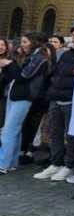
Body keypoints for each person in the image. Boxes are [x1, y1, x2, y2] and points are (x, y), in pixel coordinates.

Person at [35, 23, 74, 182]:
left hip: (73, 101)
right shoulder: (65, 54)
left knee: (71, 136)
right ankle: (55, 162)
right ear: (71, 35)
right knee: (55, 133)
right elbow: (56, 72)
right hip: (56, 98)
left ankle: (68, 166)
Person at [0, 32, 52, 174]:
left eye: (24, 42)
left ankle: (2, 163)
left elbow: (23, 76)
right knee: (15, 131)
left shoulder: (39, 58)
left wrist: (10, 64)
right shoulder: (29, 56)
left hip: (23, 98)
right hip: (14, 95)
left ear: (33, 42)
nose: (21, 44)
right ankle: (11, 163)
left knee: (8, 131)